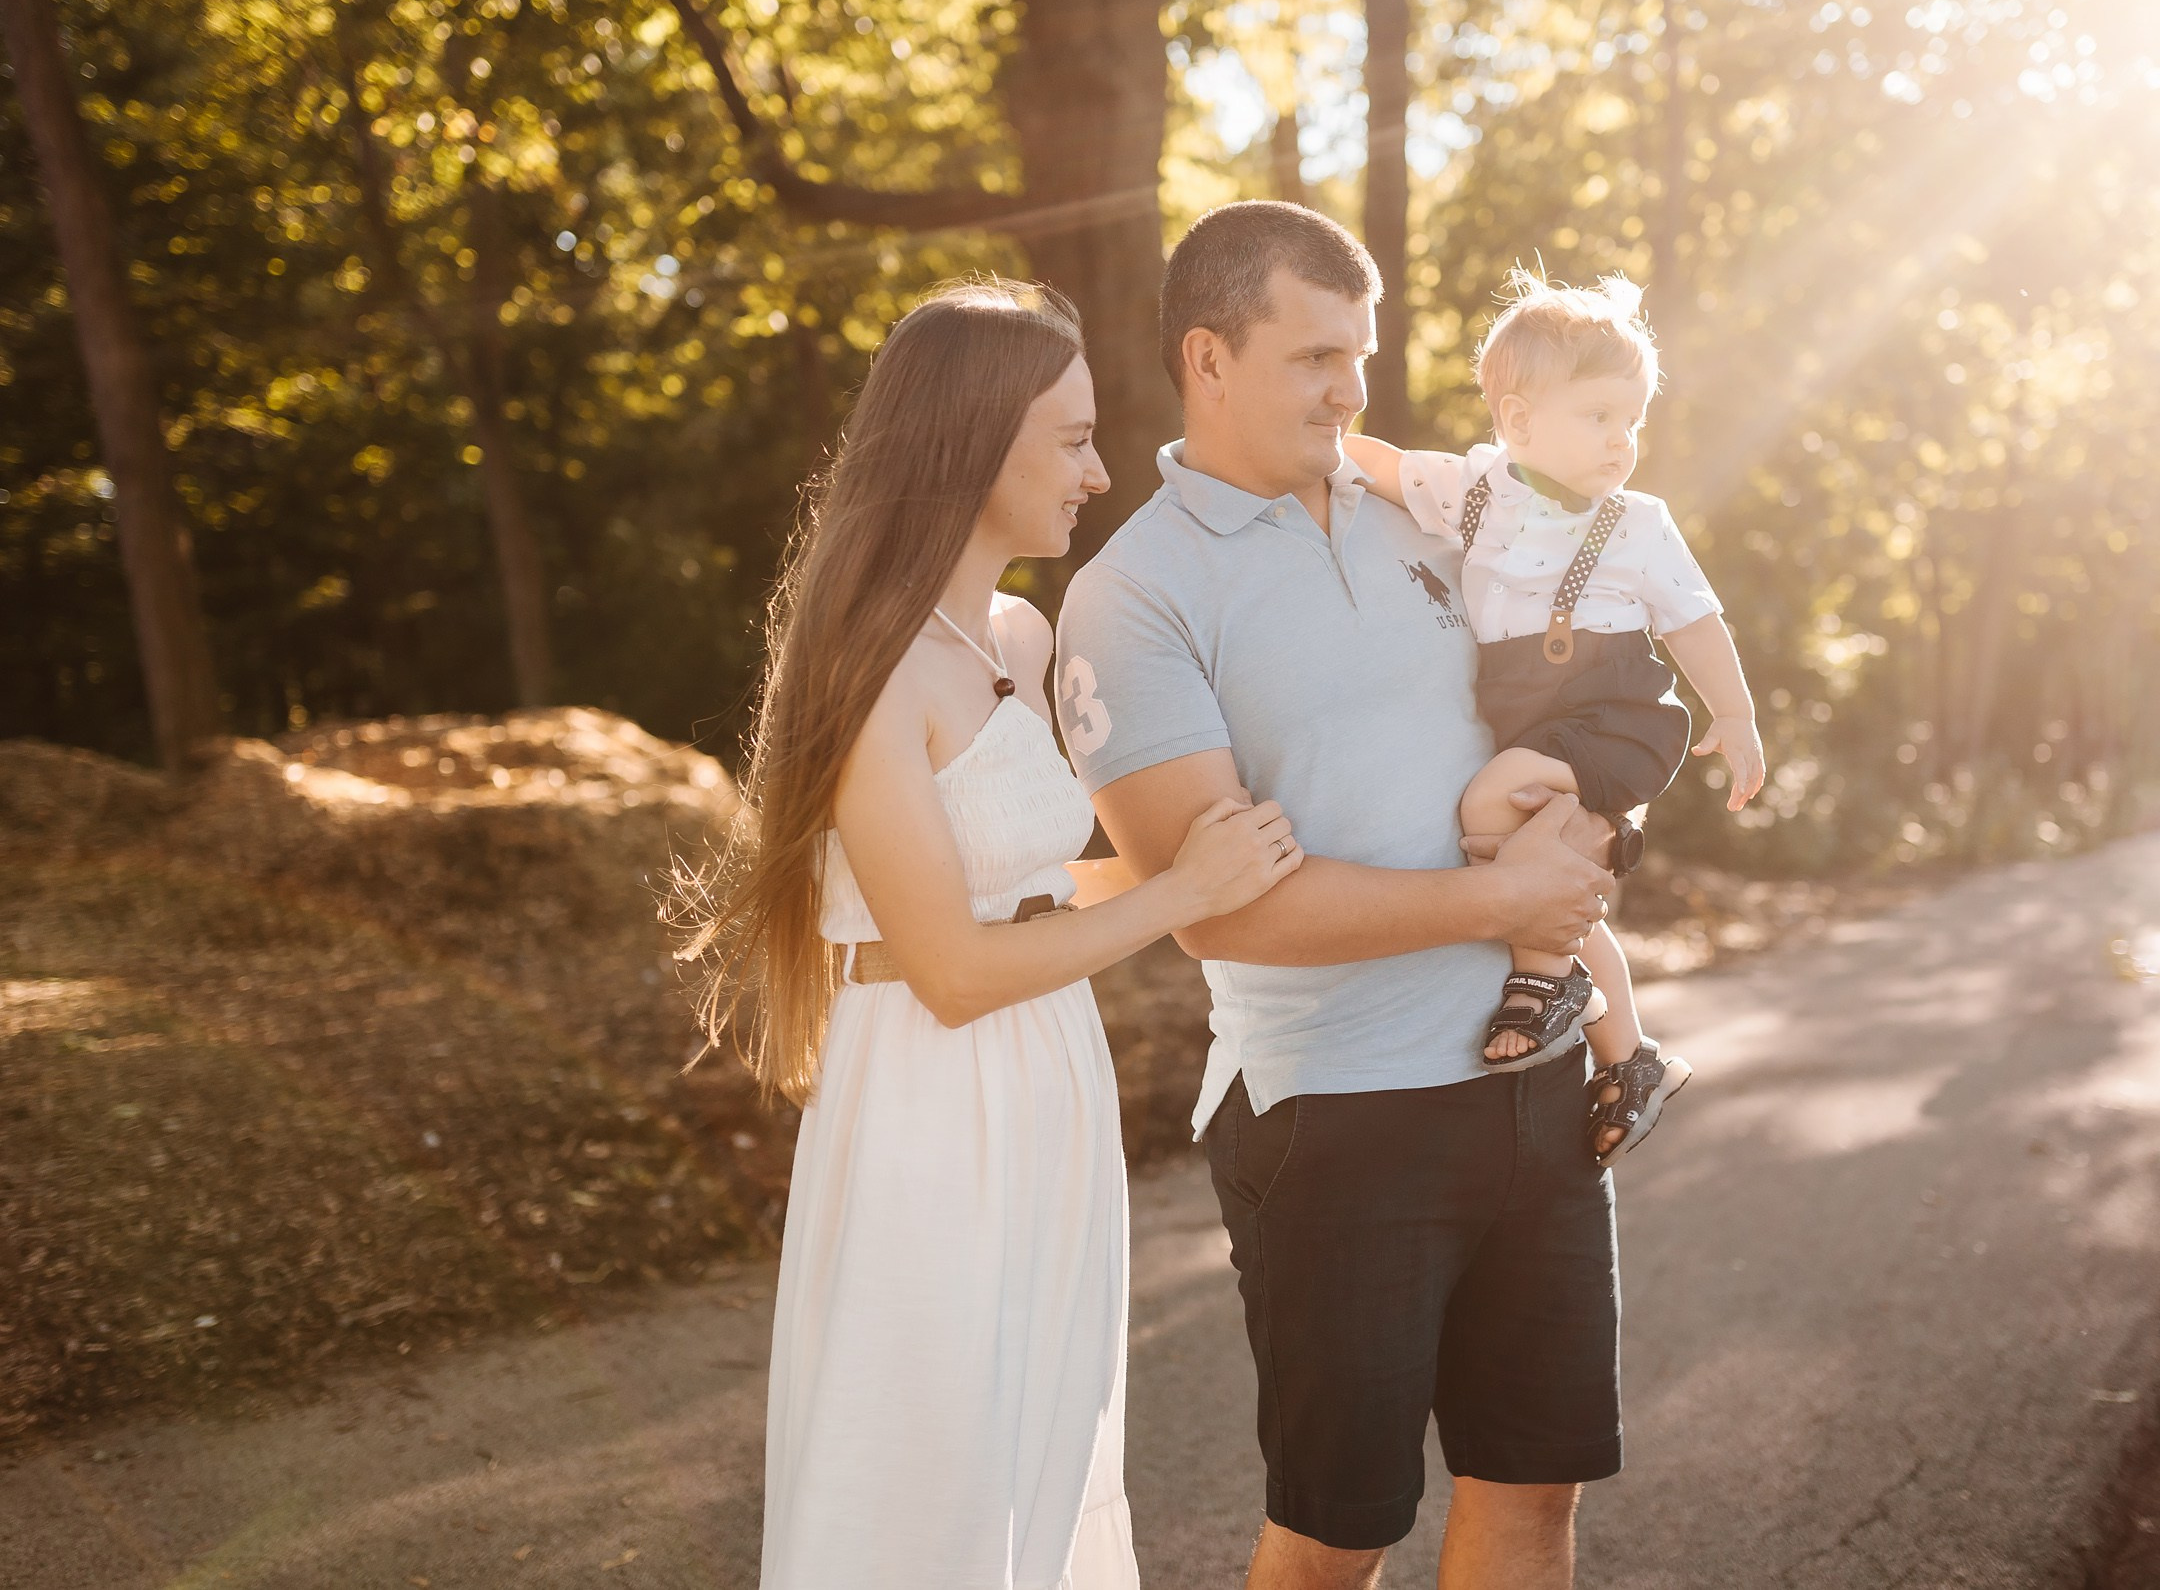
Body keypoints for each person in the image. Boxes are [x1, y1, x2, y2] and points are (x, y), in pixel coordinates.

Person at [675, 277, 1301, 1590]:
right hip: (928, 1095)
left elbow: (1027, 891)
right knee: (929, 1461)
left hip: (1048, 1074)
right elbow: (952, 972)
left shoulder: (1017, 628)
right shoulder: (871, 664)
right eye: (1071, 440)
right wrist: (1178, 894)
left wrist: (1205, 858)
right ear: (971, 445)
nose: (1100, 470)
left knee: (1039, 1440)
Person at [1055, 204, 1622, 1589]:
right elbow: (1215, 907)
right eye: (1315, 356)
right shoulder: (1133, 594)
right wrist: (1501, 904)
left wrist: (1590, 835)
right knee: (1338, 1532)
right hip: (1335, 1113)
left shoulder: (1434, 517)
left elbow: (1587, 682)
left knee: (1534, 1491)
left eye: (1360, 354)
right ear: (1208, 357)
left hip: (1534, 1077)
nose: (1351, 389)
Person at [1342, 266, 1767, 1162]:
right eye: (1600, 415)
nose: (1622, 439)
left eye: (1633, 420)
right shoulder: (1474, 489)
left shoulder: (1637, 522)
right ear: (1520, 419)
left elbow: (1694, 621)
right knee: (1553, 874)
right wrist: (1322, 446)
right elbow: (1379, 465)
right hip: (1536, 722)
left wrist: (1734, 713)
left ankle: (1542, 978)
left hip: (1613, 716)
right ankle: (1631, 1057)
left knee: (1490, 802)